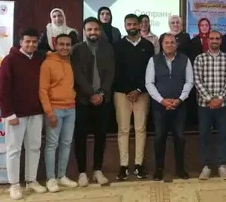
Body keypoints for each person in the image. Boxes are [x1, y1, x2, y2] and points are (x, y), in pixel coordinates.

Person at [0, 28, 47, 200]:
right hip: (15, 115)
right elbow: (2, 90)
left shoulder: (40, 59)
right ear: (21, 42)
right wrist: (8, 113)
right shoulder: (9, 60)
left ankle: (31, 180)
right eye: (28, 41)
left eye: (34, 42)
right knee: (14, 150)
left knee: (34, 147)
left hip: (36, 112)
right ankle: (14, 185)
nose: (31, 44)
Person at [71, 17, 115, 187]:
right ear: (84, 31)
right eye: (89, 29)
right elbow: (77, 75)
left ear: (100, 31)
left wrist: (101, 93)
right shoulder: (77, 49)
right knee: (81, 136)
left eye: (96, 29)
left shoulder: (107, 48)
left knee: (100, 136)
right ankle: (82, 172)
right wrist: (91, 94)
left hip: (103, 100)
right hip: (83, 100)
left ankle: (97, 170)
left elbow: (111, 72)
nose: (93, 32)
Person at [145, 33, 194, 181]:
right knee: (160, 137)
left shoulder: (185, 59)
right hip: (160, 106)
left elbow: (189, 81)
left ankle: (180, 169)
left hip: (180, 105)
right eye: (166, 42)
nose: (169, 45)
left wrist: (180, 99)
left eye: (172, 42)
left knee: (180, 137)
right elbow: (149, 83)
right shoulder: (153, 60)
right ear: (161, 44)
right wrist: (162, 101)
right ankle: (159, 169)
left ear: (176, 44)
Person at [113, 14, 155, 180]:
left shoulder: (148, 46)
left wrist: (138, 89)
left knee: (140, 129)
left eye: (134, 24)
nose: (132, 27)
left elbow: (150, 71)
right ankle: (123, 166)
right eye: (129, 24)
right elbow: (115, 70)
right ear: (125, 26)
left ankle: (138, 165)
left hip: (142, 93)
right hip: (121, 93)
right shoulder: (117, 45)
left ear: (139, 25)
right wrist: (127, 90)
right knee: (123, 130)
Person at [39, 33, 78, 192]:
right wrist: (50, 113)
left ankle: (62, 176)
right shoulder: (47, 64)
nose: (64, 47)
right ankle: (51, 178)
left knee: (66, 143)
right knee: (52, 144)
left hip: (71, 109)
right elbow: (43, 91)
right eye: (61, 44)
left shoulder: (71, 62)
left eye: (68, 45)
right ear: (55, 45)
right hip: (55, 109)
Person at [193, 30, 226, 180]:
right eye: (212, 38)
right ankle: (206, 166)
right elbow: (197, 80)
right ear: (207, 40)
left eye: (217, 38)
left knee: (224, 135)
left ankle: (222, 165)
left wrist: (220, 98)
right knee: (204, 135)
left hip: (223, 104)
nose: (214, 41)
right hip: (204, 105)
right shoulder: (199, 58)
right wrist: (209, 99)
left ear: (221, 41)